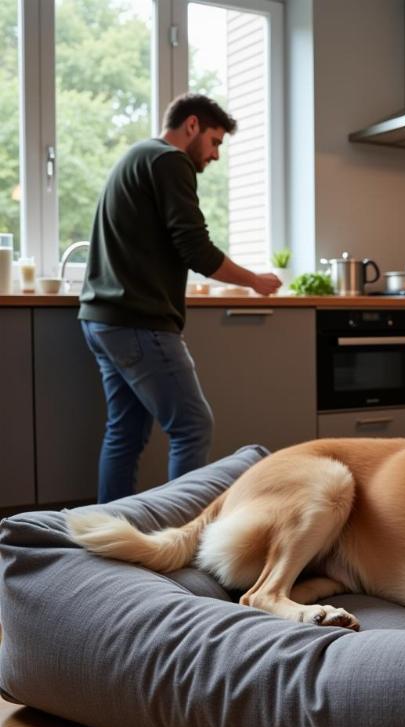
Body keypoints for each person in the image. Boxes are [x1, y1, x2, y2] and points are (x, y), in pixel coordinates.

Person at [79, 93, 282, 502]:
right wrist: (253, 280)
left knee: (125, 433)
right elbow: (196, 249)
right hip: (138, 321)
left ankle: (107, 530)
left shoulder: (138, 156)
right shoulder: (169, 161)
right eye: (215, 141)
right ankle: (182, 532)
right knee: (192, 426)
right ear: (192, 126)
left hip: (103, 319)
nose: (216, 155)